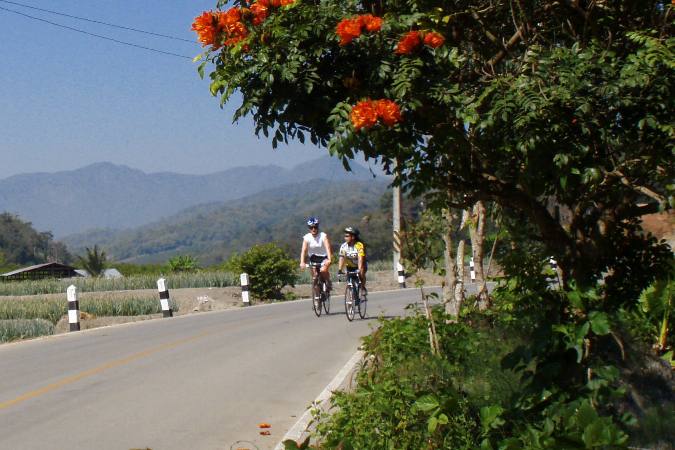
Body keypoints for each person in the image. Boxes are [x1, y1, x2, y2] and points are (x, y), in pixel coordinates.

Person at [299, 217, 332, 295]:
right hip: (313, 258)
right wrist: (302, 262)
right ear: (309, 228)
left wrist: (329, 259)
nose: (313, 229)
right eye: (311, 227)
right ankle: (317, 297)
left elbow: (328, 247)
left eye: (315, 227)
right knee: (315, 277)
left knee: (323, 271)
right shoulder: (306, 237)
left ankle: (328, 281)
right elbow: (303, 250)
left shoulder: (323, 236)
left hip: (323, 257)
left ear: (318, 227)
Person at [338, 226, 367, 299]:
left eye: (347, 236)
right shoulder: (343, 246)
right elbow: (341, 258)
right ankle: (352, 294)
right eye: (345, 236)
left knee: (361, 272)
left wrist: (359, 269)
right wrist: (340, 270)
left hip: (359, 265)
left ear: (353, 237)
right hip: (350, 266)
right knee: (350, 280)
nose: (345, 238)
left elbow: (360, 259)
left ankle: (363, 287)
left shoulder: (359, 245)